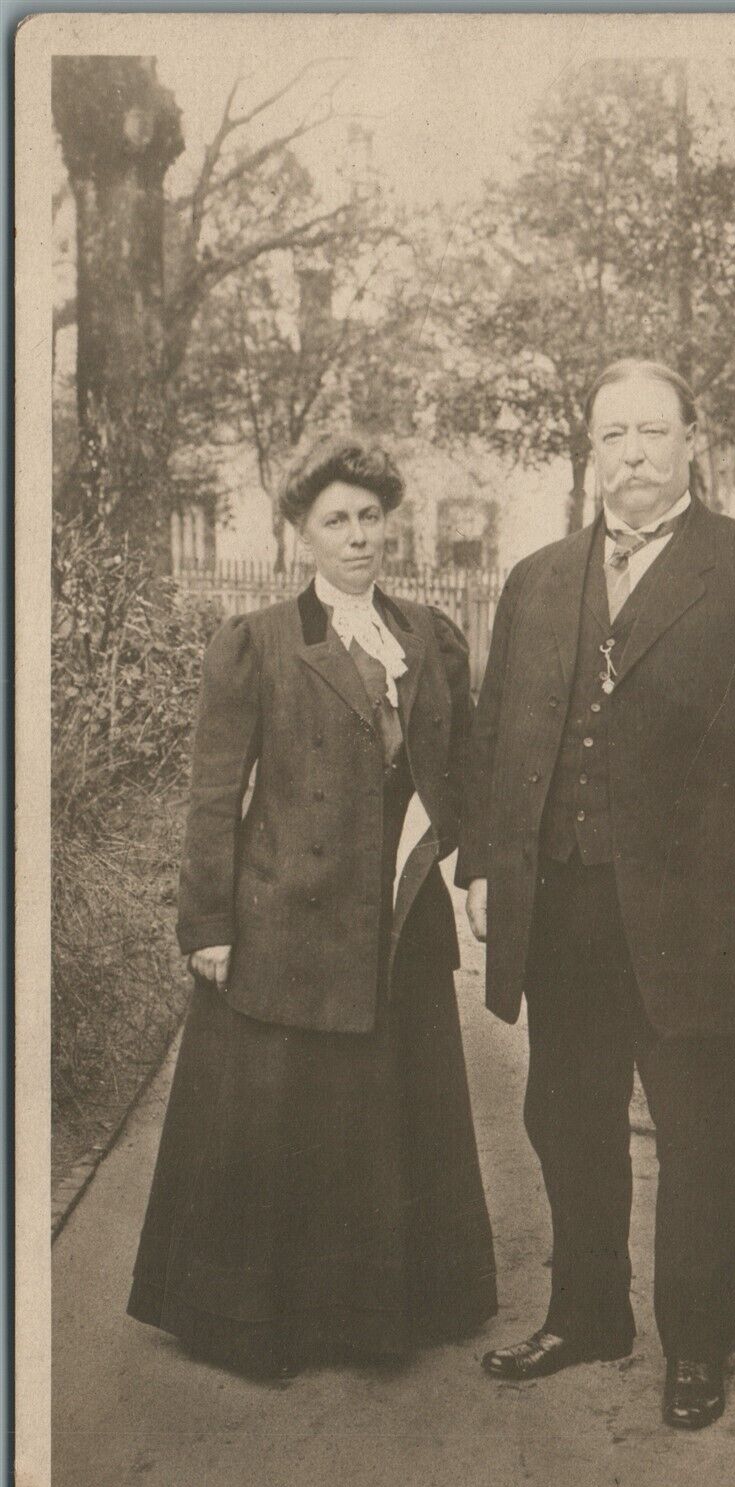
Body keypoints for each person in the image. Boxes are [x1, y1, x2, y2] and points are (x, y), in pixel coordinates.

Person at [457, 359, 735, 1429]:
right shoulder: (537, 578)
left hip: (701, 916)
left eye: (652, 432)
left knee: (699, 1133)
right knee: (566, 1115)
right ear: (593, 452)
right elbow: (497, 736)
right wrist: (486, 865)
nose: (633, 454)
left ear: (692, 442)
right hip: (566, 908)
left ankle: (695, 1345)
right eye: (613, 436)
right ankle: (588, 1316)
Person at [128, 436, 496, 1379]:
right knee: (285, 1129)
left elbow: (462, 772)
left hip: (397, 925)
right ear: (303, 534)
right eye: (337, 520)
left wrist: (479, 865)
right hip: (288, 921)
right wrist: (208, 925)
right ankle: (269, 1323)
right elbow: (214, 796)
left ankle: (379, 1315)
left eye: (371, 517)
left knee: (386, 1122)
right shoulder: (257, 642)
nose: (359, 535)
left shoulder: (428, 636)